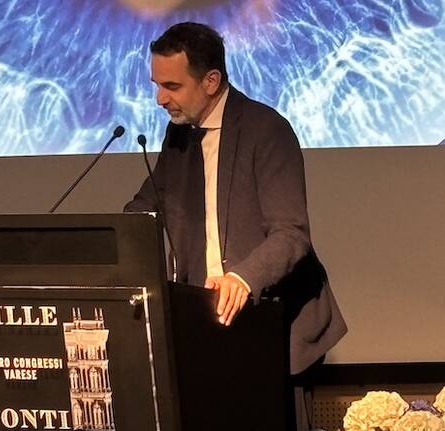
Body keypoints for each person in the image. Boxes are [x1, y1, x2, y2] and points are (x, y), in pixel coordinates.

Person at [124, 22, 347, 430]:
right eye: (157, 85)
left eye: (172, 86)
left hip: (272, 327)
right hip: (205, 326)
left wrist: (242, 278)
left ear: (211, 81)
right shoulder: (177, 136)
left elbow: (291, 234)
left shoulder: (267, 130)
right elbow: (145, 209)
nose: (160, 99)